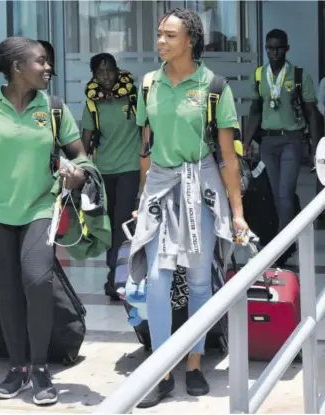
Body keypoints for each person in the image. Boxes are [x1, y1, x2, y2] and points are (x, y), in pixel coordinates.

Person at [0, 37, 87, 406]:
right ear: (17, 67)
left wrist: (78, 173)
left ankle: (41, 368)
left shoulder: (54, 108)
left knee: (37, 280)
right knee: (9, 291)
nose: (48, 68)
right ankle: (18, 368)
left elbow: (80, 155)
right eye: (41, 62)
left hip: (41, 208)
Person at [128, 8, 248, 408]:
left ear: (191, 40)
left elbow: (229, 157)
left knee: (198, 282)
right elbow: (146, 147)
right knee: (158, 283)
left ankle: (194, 363)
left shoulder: (214, 86)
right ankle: (161, 369)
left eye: (170, 35)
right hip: (161, 188)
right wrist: (141, 199)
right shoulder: (148, 84)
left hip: (200, 185)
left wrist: (237, 212)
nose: (160, 41)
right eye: (159, 34)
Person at [244, 29, 321, 266]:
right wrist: (246, 142)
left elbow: (311, 114)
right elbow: (255, 111)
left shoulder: (299, 76)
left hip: (292, 140)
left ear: (287, 49)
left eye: (279, 48)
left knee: (285, 194)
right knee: (277, 194)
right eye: (270, 48)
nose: (274, 52)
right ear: (266, 48)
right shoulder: (259, 75)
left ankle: (280, 248)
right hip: (268, 142)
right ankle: (286, 240)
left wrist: (318, 150)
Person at [81, 53, 141, 300]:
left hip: (130, 167)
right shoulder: (93, 103)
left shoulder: (134, 96)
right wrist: (83, 171)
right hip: (104, 170)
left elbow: (146, 130)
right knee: (107, 225)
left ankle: (116, 277)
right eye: (100, 72)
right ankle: (115, 272)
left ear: (118, 70)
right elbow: (85, 140)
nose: (106, 76)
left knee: (122, 222)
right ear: (94, 75)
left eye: (109, 70)